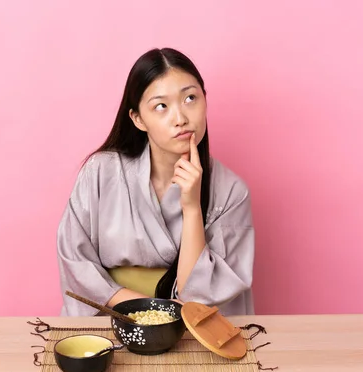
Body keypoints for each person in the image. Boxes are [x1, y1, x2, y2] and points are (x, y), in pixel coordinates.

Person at [57, 48, 255, 316]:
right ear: (138, 119)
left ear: (205, 100)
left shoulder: (231, 191)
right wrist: (148, 310)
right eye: (161, 106)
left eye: (190, 98)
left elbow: (198, 295)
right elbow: (76, 261)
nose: (181, 118)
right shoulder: (100, 172)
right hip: (113, 320)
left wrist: (192, 207)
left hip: (189, 331)